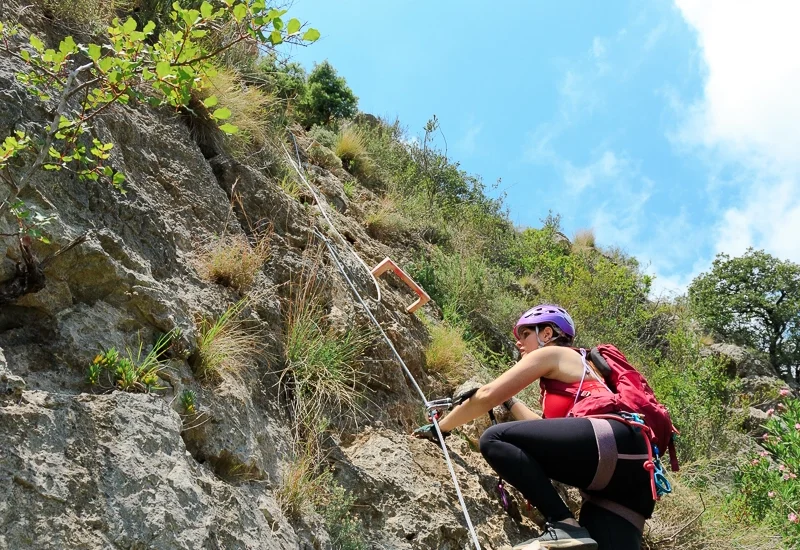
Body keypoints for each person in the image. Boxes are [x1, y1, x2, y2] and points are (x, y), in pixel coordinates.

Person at [414, 304, 654, 550]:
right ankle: (570, 530)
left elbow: (486, 395)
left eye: (525, 334)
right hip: (634, 475)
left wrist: (440, 428)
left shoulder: (552, 353)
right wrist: (510, 402)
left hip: (608, 442)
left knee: (494, 439)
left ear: (547, 334)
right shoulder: (587, 373)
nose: (519, 343)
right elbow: (547, 431)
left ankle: (564, 524)